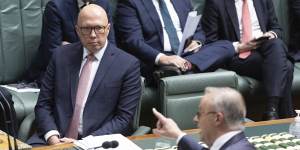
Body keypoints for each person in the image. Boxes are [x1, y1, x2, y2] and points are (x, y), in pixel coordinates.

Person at [27, 4, 141, 146]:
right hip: (53, 140)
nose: (93, 35)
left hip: (96, 143)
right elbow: (43, 104)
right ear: (77, 30)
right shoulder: (60, 56)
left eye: (98, 28)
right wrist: (52, 136)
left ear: (108, 29)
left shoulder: (128, 65)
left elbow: (123, 119)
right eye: (86, 29)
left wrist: (83, 143)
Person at [201, 0, 294, 120]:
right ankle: (284, 115)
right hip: (238, 54)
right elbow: (210, 42)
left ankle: (272, 110)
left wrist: (271, 34)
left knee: (276, 43)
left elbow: (276, 28)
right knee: (286, 67)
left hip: (266, 48)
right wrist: (238, 47)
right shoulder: (216, 3)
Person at [115, 0, 235, 85]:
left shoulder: (182, 1)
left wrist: (197, 42)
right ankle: (179, 68)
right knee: (165, 65)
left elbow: (198, 30)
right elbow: (132, 41)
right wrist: (163, 58)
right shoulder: (130, 3)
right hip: (157, 60)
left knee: (226, 45)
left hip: (187, 53)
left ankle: (186, 66)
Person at [22, 0, 116, 86]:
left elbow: (111, 48)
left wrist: (70, 47)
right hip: (62, 74)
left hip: (96, 71)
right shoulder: (56, 6)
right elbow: (53, 54)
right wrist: (93, 48)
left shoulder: (103, 5)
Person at [153, 87, 255, 150]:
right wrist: (178, 134)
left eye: (199, 114)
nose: (195, 119)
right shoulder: (238, 144)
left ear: (217, 118)